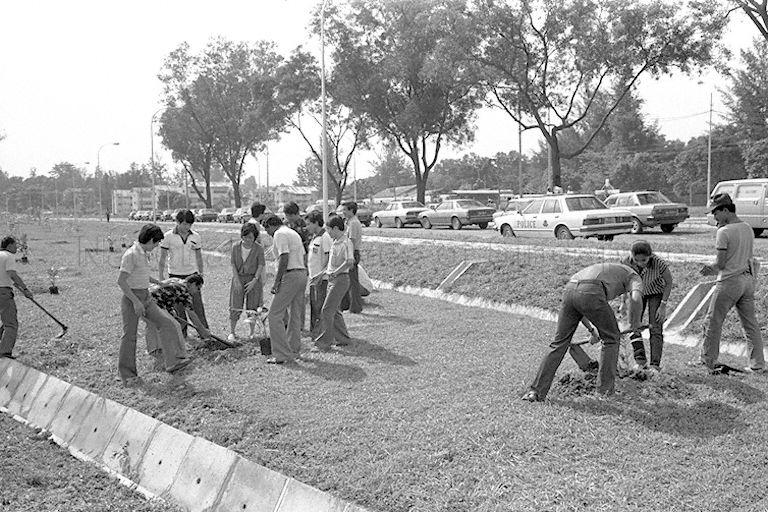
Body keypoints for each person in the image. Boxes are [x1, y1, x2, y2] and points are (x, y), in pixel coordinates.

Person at [522, 262, 643, 401]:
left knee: (559, 343)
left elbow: (581, 303)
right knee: (611, 339)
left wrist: (592, 330)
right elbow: (636, 298)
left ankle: (535, 392)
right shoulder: (635, 276)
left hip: (571, 288)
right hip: (592, 290)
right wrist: (635, 323)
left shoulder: (611, 271)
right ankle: (604, 392)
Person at [696, 193, 765, 372]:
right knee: (750, 323)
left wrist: (707, 269)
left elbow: (720, 264)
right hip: (748, 280)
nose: (714, 217)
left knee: (713, 321)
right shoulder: (748, 227)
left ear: (725, 210)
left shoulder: (724, 232)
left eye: (715, 212)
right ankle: (757, 364)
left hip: (729, 282)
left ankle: (707, 360)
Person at [117, 224, 191, 386]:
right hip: (132, 298)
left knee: (168, 323)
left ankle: (173, 362)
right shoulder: (131, 254)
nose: (157, 245)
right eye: (156, 243)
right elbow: (121, 281)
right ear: (150, 240)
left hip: (146, 296)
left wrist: (160, 283)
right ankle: (127, 375)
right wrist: (136, 302)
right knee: (129, 336)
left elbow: (142, 275)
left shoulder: (143, 253)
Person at [620, 240, 673, 370]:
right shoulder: (626, 262)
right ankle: (640, 360)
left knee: (655, 326)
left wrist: (663, 305)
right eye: (636, 260)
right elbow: (624, 283)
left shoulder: (659, 263)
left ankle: (655, 365)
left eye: (644, 260)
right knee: (633, 324)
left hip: (655, 292)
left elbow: (669, 282)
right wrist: (623, 302)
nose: (640, 263)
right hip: (636, 293)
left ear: (650, 256)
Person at [263, 215, 307, 364]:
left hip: (290, 274)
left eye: (267, 230)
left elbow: (284, 257)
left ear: (270, 226)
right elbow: (303, 255)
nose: (269, 235)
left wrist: (277, 282)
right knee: (295, 315)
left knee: (274, 315)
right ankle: (294, 350)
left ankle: (281, 354)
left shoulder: (279, 234)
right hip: (301, 272)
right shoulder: (292, 233)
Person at [158, 209, 208, 337]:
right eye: (184, 224)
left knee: (197, 306)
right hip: (174, 275)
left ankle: (204, 333)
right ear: (177, 222)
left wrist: (200, 274)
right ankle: (182, 334)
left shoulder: (196, 236)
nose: (187, 227)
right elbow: (162, 257)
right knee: (178, 308)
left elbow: (199, 257)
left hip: (192, 275)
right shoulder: (168, 236)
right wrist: (161, 277)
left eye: (189, 225)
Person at [313, 216, 354, 350]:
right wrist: (321, 274)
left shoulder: (346, 242)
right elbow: (330, 266)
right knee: (334, 311)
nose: (328, 233)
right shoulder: (335, 242)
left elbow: (349, 262)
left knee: (327, 311)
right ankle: (343, 339)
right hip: (334, 279)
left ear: (336, 228)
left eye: (329, 230)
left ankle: (324, 343)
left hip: (341, 279)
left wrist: (336, 272)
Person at [149, 274, 211, 345]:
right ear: (193, 284)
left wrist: (170, 310)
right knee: (172, 326)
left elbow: (166, 294)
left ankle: (164, 348)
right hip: (152, 303)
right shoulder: (185, 291)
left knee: (171, 325)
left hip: (147, 297)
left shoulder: (176, 280)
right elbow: (192, 315)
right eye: (198, 288)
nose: (197, 291)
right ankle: (165, 349)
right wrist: (203, 330)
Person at [229, 222, 265, 341]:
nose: (247, 240)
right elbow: (233, 264)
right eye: (245, 237)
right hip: (238, 277)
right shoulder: (235, 247)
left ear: (255, 237)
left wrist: (254, 281)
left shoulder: (258, 248)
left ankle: (252, 332)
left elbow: (260, 265)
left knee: (253, 306)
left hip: (253, 279)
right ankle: (232, 332)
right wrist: (237, 281)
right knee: (235, 305)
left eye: (250, 237)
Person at [0, 236, 34, 359]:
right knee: (11, 324)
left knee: (5, 321)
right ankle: (4, 353)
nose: (17, 248)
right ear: (9, 246)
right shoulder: (9, 256)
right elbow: (11, 274)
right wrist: (25, 289)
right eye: (15, 245)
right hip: (3, 293)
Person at [306, 211, 333, 336]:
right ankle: (315, 332)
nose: (307, 227)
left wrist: (322, 274)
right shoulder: (315, 237)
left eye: (309, 224)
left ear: (316, 223)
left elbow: (328, 257)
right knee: (314, 306)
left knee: (320, 306)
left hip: (321, 278)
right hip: (313, 277)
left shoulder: (325, 237)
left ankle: (322, 333)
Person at [341, 201, 364, 313]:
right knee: (347, 281)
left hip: (352, 252)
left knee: (353, 281)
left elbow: (352, 240)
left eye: (345, 210)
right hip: (349, 252)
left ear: (351, 210)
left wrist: (349, 255)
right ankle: (347, 305)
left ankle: (355, 307)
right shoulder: (349, 222)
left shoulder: (354, 223)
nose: (343, 212)